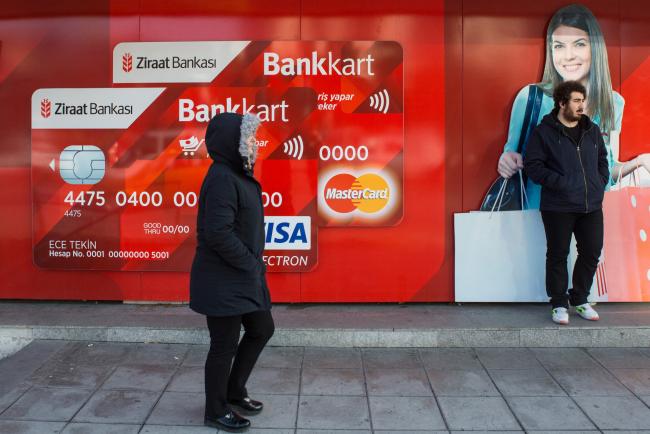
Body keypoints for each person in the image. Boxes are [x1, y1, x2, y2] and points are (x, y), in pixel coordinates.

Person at [498, 4, 650, 203]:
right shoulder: (530, 97)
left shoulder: (613, 103)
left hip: (588, 219)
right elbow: (509, 158)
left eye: (579, 44)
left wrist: (639, 163)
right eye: (559, 46)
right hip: (535, 220)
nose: (568, 55)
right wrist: (507, 161)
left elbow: (607, 171)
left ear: (594, 49)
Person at [190, 112, 273, 432]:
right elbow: (218, 233)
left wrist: (251, 267)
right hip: (222, 278)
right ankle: (215, 409)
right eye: (249, 138)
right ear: (232, 143)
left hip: (243, 275)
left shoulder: (238, 173)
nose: (254, 143)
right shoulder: (223, 177)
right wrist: (251, 263)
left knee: (261, 329)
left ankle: (235, 391)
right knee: (223, 345)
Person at [525, 81, 606, 324]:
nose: (582, 105)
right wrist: (562, 183)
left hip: (590, 204)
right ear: (562, 103)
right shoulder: (544, 132)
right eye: (576, 100)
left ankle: (580, 299)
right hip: (558, 206)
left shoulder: (592, 130)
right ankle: (559, 303)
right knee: (558, 254)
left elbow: (603, 159)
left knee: (591, 251)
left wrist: (599, 181)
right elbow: (533, 166)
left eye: (583, 100)